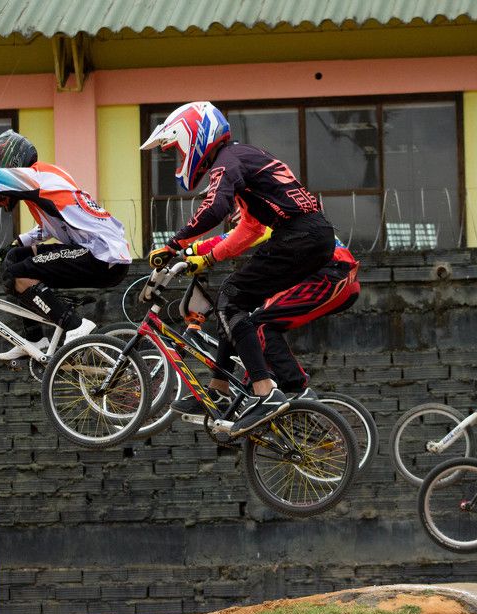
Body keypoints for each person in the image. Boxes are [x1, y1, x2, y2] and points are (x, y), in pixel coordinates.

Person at [141, 101, 335, 435]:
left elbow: (215, 207)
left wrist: (174, 243)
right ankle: (217, 387)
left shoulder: (227, 160)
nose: (178, 158)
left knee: (231, 297)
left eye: (177, 149)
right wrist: (203, 256)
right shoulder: (243, 159)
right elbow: (251, 231)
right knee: (231, 305)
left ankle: (265, 392)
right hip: (311, 236)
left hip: (302, 235)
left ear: (194, 137)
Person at [0, 130, 131, 360]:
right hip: (98, 253)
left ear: (10, 163)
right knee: (15, 259)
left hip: (101, 256)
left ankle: (75, 325)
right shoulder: (45, 179)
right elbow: (49, 228)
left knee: (16, 273)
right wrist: (14, 245)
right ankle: (35, 340)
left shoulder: (34, 177)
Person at [169, 209, 360, 414]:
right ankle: (220, 389)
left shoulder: (271, 208)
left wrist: (194, 250)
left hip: (331, 274)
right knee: (233, 313)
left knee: (262, 325)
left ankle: (298, 389)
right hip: (315, 274)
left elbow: (247, 235)